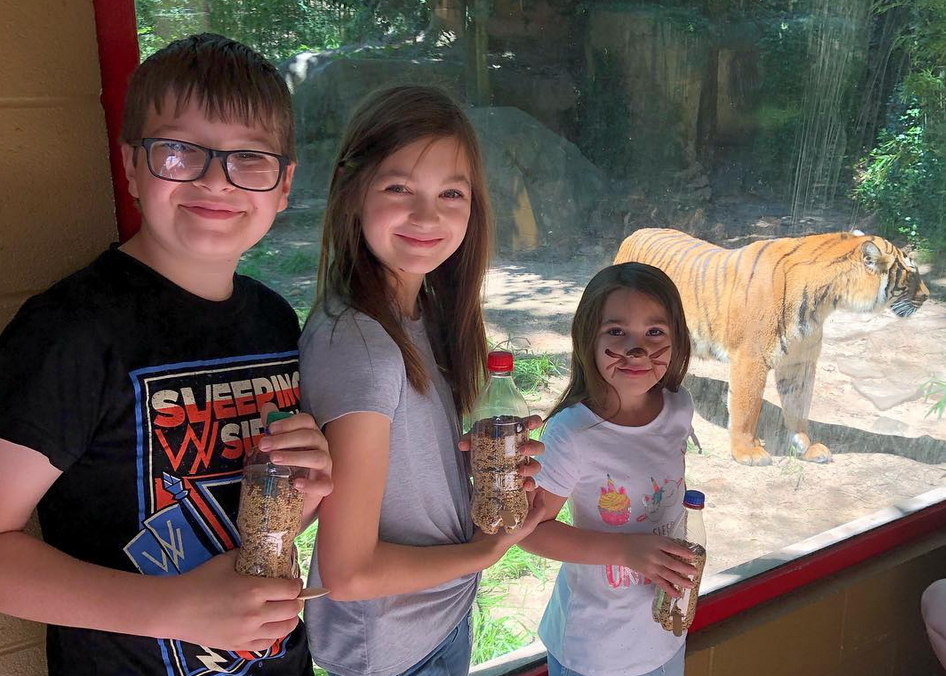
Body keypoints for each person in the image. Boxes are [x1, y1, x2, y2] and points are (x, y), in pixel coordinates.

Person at [0, 34, 332, 676]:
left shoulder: (273, 320)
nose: (216, 179)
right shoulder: (70, 333)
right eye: (179, 152)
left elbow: (250, 517)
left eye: (250, 158)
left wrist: (308, 494)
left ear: (283, 184)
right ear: (130, 168)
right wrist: (172, 609)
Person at [298, 84, 544, 676]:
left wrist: (484, 469)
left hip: (437, 619)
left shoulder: (420, 313)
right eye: (399, 187)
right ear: (353, 193)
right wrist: (487, 550)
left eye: (450, 192)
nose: (427, 216)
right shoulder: (363, 346)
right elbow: (349, 575)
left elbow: (402, 478)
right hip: (391, 648)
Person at [520, 262, 700, 676]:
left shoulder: (678, 408)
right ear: (588, 339)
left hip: (664, 631)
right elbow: (529, 535)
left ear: (677, 339)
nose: (637, 350)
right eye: (617, 332)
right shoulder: (572, 432)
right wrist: (625, 550)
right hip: (595, 650)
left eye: (655, 332)